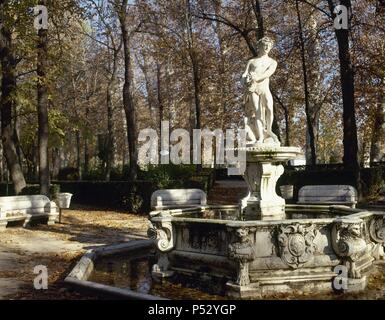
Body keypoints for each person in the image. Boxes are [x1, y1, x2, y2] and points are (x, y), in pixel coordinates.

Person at [242, 37, 280, 145]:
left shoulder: (272, 62)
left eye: (269, 45)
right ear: (259, 46)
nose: (267, 47)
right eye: (265, 45)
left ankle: (268, 130)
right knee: (257, 112)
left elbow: (269, 73)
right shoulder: (252, 61)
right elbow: (244, 74)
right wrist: (244, 79)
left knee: (269, 109)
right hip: (253, 89)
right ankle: (260, 137)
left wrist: (256, 77)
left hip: (264, 88)